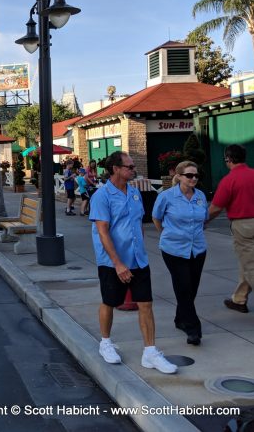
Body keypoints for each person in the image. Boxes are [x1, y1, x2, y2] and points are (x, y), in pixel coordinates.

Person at [89, 151, 177, 374]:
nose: (133, 170)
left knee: (146, 304)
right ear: (116, 169)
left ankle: (150, 352)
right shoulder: (102, 196)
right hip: (112, 262)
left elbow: (138, 224)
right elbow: (103, 232)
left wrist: (140, 250)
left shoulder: (135, 193)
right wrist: (118, 264)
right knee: (109, 301)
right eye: (129, 166)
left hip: (139, 260)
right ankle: (106, 343)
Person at [152, 161, 208, 345]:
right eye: (189, 175)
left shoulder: (200, 196)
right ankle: (193, 328)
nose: (194, 179)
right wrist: (165, 234)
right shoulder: (167, 197)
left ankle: (180, 319)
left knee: (191, 288)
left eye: (196, 176)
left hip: (197, 249)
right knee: (183, 286)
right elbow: (156, 217)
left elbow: (203, 220)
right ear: (180, 176)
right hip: (174, 249)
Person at [208, 144, 254, 314]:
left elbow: (215, 208)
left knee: (251, 265)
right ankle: (239, 299)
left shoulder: (229, 180)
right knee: (248, 262)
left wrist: (202, 222)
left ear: (228, 159)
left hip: (243, 226)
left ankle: (239, 300)